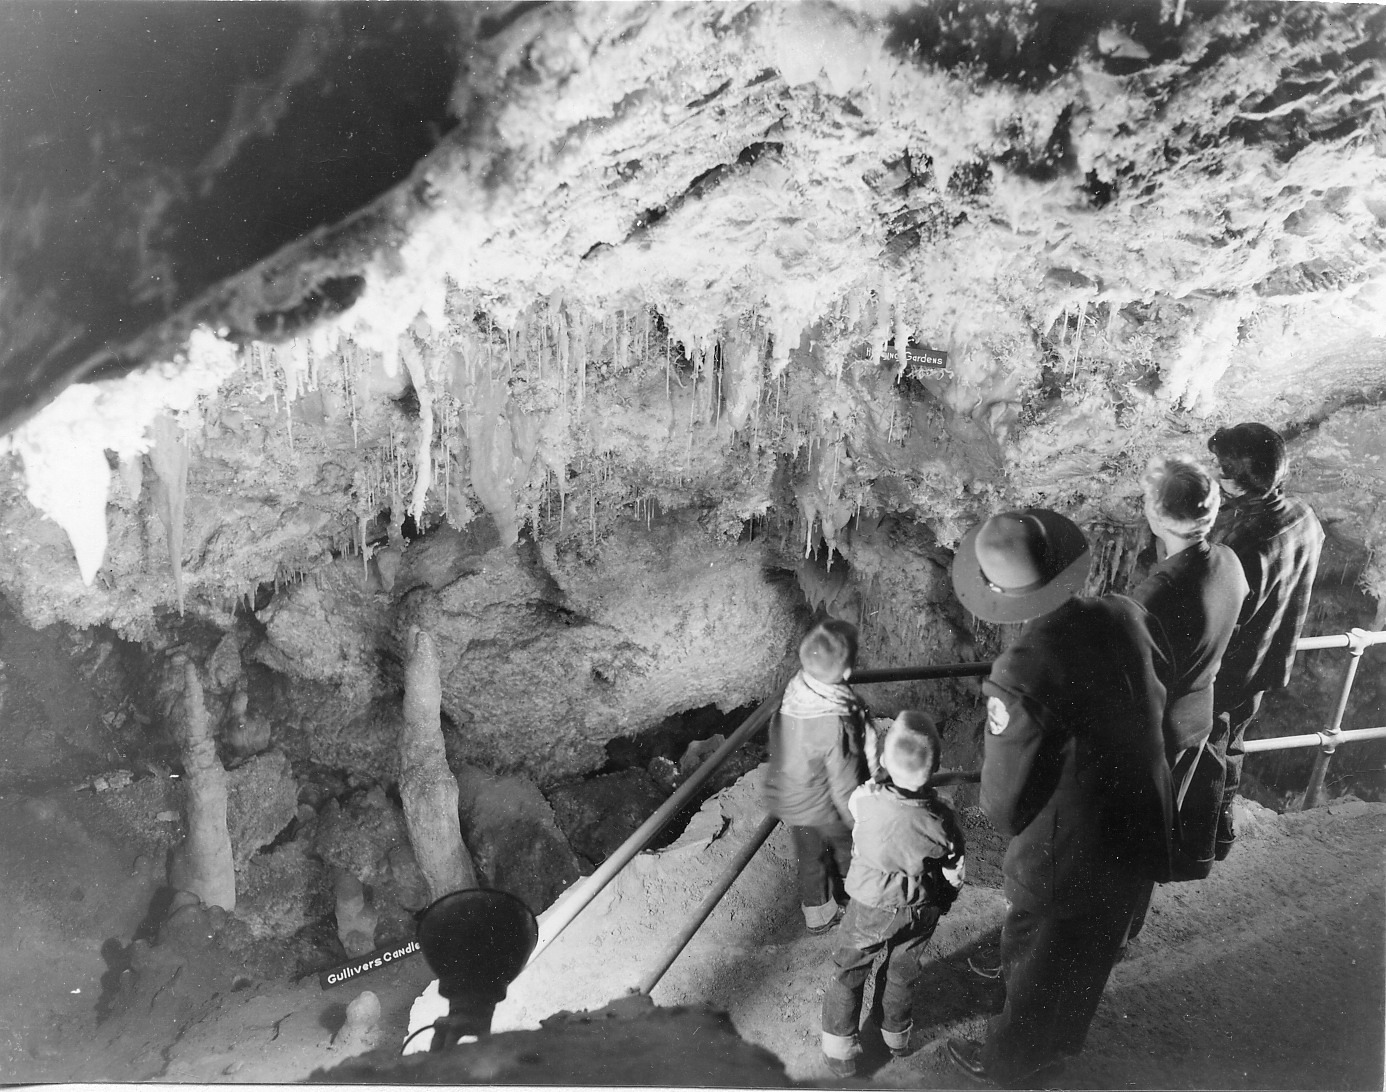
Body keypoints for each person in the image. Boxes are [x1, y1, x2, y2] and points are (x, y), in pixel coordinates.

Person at [946, 509, 1172, 1087]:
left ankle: (1010, 1062)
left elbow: (1006, 802)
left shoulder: (1021, 670)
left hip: (1069, 847)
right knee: (1092, 946)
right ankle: (1061, 1041)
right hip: (1140, 814)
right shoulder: (1124, 612)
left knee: (1037, 955)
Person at [1124, 455, 1248, 944]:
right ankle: (1129, 925)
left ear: (1156, 516)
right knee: (1157, 823)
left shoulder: (1159, 591)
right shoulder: (1229, 562)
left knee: (1129, 831)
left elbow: (1133, 673)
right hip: (1197, 716)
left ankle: (1109, 934)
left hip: (1155, 730)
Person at [819, 711, 965, 1078]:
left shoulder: (866, 800)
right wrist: (946, 898)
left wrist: (876, 764)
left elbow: (862, 798)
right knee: (903, 970)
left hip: (871, 905)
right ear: (936, 767)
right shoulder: (943, 817)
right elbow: (954, 869)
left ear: (885, 761)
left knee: (850, 970)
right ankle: (895, 1036)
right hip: (921, 907)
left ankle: (840, 1051)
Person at [1207, 423, 1324, 859]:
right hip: (1269, 657)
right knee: (1233, 744)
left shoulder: (1244, 541)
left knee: (1208, 751)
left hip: (1229, 668)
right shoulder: (1304, 515)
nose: (1215, 472)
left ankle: (1200, 840)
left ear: (1237, 481)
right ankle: (1221, 830)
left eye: (1220, 467)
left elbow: (1223, 615)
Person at [764, 618, 869, 934]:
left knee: (809, 858)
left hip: (793, 798)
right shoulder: (833, 719)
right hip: (824, 804)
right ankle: (857, 899)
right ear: (846, 673)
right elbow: (843, 779)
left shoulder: (794, 691)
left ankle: (818, 914)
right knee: (848, 847)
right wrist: (855, 817)